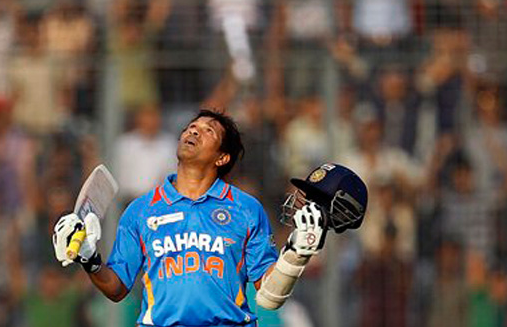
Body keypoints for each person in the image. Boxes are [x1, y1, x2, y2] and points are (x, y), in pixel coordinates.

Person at [52, 109, 366, 326]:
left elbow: (269, 298)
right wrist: (90, 260)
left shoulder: (246, 209)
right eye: (192, 126)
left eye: (208, 130)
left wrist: (297, 253)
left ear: (222, 157)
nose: (194, 130)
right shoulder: (141, 210)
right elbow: (117, 288)